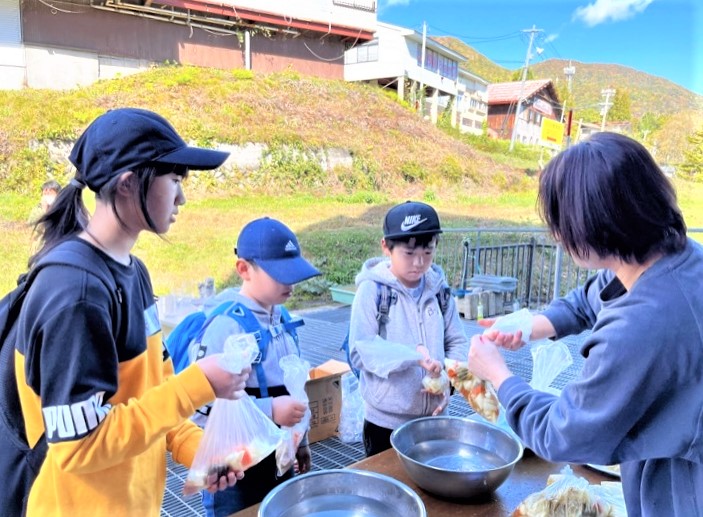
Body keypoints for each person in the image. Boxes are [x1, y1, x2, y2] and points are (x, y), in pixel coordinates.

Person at [14, 107, 251, 515]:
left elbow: (151, 393)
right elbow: (80, 446)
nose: (182, 197)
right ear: (127, 184)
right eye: (174, 180)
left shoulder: (134, 273)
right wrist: (200, 384)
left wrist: (196, 448)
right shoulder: (75, 296)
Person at [467, 132, 703, 516]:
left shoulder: (640, 328)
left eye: (562, 221)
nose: (558, 235)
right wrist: (530, 325)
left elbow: (562, 434)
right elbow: (591, 298)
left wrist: (497, 375)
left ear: (596, 222)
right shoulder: (674, 257)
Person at [190, 217, 320, 516]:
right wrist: (271, 410)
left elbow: (295, 390)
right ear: (244, 269)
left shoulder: (283, 319)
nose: (289, 283)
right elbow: (204, 408)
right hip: (235, 472)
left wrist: (301, 440)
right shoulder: (227, 326)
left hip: (279, 459)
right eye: (279, 275)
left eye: (293, 274)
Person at [348, 200, 469, 457]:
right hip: (386, 423)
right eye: (409, 253)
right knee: (388, 492)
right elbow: (360, 350)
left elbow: (457, 341)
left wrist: (448, 381)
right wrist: (412, 357)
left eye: (428, 252)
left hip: (435, 418)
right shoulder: (372, 291)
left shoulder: (439, 289)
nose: (419, 262)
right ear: (386, 247)